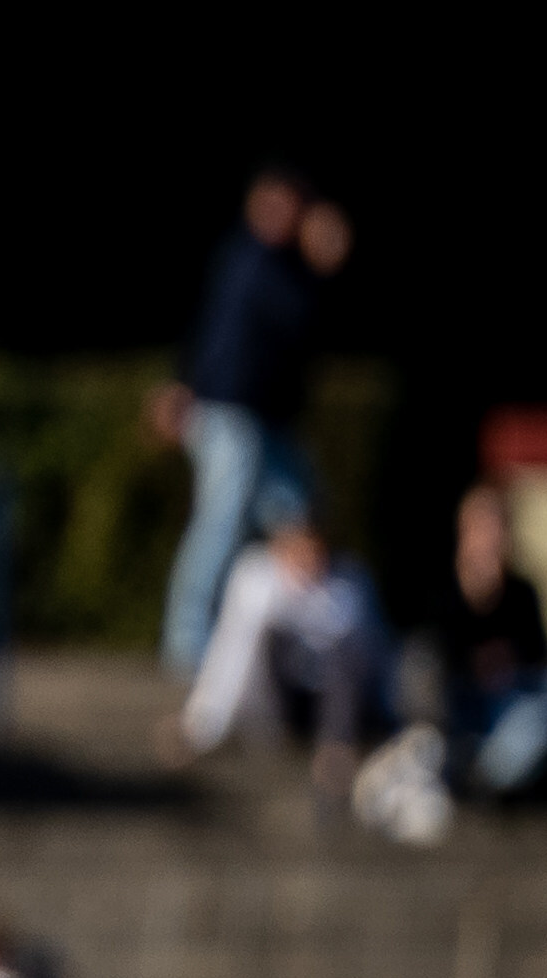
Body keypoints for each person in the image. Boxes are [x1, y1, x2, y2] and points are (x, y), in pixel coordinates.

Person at [153, 167, 352, 673]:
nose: (277, 212)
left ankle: (304, 642)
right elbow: (206, 329)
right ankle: (187, 646)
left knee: (301, 513)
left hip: (269, 420)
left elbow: (305, 335)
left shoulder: (286, 267)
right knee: (220, 523)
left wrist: (319, 267)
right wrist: (183, 387)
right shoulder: (244, 258)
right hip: (227, 412)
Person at [165, 500, 388, 800]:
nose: (310, 561)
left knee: (343, 652)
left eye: (316, 549)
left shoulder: (350, 582)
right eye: (299, 550)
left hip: (337, 704)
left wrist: (389, 717)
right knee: (272, 636)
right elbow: (231, 654)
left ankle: (336, 749)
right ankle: (292, 738)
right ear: (279, 547)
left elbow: (376, 655)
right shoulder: (255, 580)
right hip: (282, 702)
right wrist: (201, 725)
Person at [414, 480, 547, 799]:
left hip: (518, 699)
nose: (493, 537)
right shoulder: (442, 589)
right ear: (464, 531)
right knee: (533, 729)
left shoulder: (524, 590)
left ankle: (517, 771)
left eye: (500, 526)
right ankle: (487, 774)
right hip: (468, 711)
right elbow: (438, 663)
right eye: (484, 527)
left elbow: (543, 656)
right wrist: (479, 595)